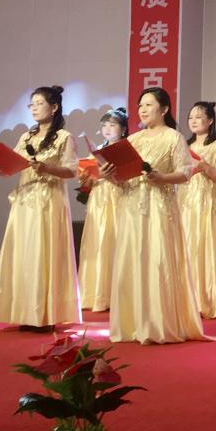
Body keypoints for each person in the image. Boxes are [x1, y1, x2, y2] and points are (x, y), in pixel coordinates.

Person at [109, 87, 206, 344]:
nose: (142, 109)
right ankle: (132, 323)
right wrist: (111, 175)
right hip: (132, 206)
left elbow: (185, 173)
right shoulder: (133, 140)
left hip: (159, 206)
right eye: (140, 105)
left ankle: (158, 323)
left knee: (157, 259)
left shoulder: (174, 137)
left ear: (164, 109)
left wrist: (162, 177)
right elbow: (122, 178)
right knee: (132, 258)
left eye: (149, 105)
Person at [0, 85, 81, 332]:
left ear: (54, 107)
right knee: (24, 253)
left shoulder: (64, 137)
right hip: (25, 200)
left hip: (49, 201)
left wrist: (46, 168)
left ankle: (46, 314)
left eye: (40, 103)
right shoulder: (26, 137)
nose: (34, 108)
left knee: (44, 252)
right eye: (32, 104)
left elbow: (72, 170)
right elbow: (14, 164)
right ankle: (25, 311)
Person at [183, 101, 216, 319]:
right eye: (190, 117)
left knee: (204, 247)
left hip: (205, 204)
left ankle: (206, 301)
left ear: (210, 120)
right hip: (184, 203)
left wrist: (205, 167)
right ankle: (186, 300)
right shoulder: (184, 145)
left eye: (198, 117)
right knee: (186, 247)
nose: (193, 121)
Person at [77, 107, 128, 312]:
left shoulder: (126, 149)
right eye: (104, 125)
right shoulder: (97, 150)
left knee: (114, 240)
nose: (107, 129)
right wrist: (86, 178)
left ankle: (116, 294)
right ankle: (94, 293)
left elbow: (130, 177)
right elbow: (88, 182)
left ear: (123, 129)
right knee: (97, 241)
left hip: (118, 198)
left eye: (112, 125)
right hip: (98, 199)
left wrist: (110, 175)